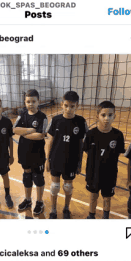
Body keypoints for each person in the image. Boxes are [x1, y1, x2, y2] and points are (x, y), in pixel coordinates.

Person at [46, 91, 87, 219]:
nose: (69, 109)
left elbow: (81, 144)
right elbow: (50, 141)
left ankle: (66, 208)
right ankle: (53, 210)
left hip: (71, 160)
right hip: (56, 159)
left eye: (72, 106)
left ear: (77, 106)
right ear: (61, 105)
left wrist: (79, 163)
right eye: (66, 105)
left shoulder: (80, 122)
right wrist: (47, 160)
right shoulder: (55, 120)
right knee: (54, 187)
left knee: (68, 187)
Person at [83, 101, 125, 219]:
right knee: (93, 196)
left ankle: (105, 217)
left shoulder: (118, 135)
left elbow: (118, 153)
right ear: (97, 116)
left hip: (110, 174)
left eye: (110, 115)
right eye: (103, 115)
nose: (107, 118)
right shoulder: (91, 134)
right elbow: (86, 150)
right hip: (93, 173)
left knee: (107, 198)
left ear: (114, 116)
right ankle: (91, 216)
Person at [13, 89, 48, 216]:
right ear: (25, 102)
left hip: (37, 154)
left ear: (38, 101)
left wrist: (24, 134)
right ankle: (28, 200)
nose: (31, 104)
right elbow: (15, 129)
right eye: (28, 101)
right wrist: (29, 130)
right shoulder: (22, 114)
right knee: (26, 175)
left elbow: (40, 135)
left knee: (38, 177)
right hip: (24, 152)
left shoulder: (42, 117)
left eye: (33, 101)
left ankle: (39, 202)